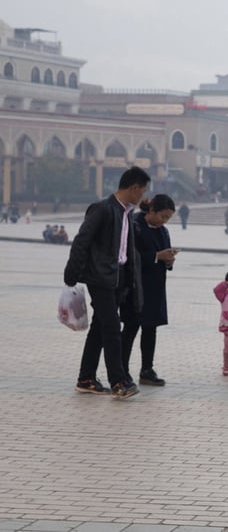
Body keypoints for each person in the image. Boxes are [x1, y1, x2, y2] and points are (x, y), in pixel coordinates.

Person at [63, 166, 150, 399]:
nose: (143, 195)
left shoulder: (126, 213)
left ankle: (86, 378)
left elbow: (126, 250)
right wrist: (71, 274)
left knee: (100, 328)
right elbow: (82, 240)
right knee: (112, 327)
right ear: (134, 188)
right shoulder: (102, 209)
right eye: (142, 190)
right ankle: (119, 382)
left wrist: (130, 279)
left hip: (117, 278)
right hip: (100, 278)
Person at [121, 194, 177, 386]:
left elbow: (164, 256)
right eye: (163, 216)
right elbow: (128, 256)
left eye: (168, 218)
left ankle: (147, 369)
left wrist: (169, 260)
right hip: (135, 287)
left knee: (150, 329)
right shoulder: (134, 226)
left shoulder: (163, 231)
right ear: (151, 211)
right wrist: (155, 256)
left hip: (155, 288)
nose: (164, 221)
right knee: (130, 329)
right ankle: (121, 371)